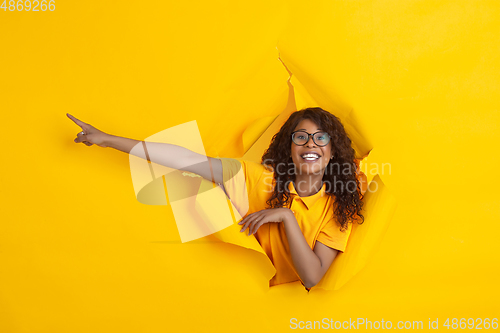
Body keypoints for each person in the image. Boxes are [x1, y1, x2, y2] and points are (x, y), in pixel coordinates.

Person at [67, 107, 365, 291]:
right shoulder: (256, 177)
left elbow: (312, 277)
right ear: (289, 148)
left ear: (332, 150)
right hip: (240, 296)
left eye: (321, 138)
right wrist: (108, 140)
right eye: (301, 137)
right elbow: (185, 159)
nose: (310, 144)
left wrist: (285, 217)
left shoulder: (339, 207)